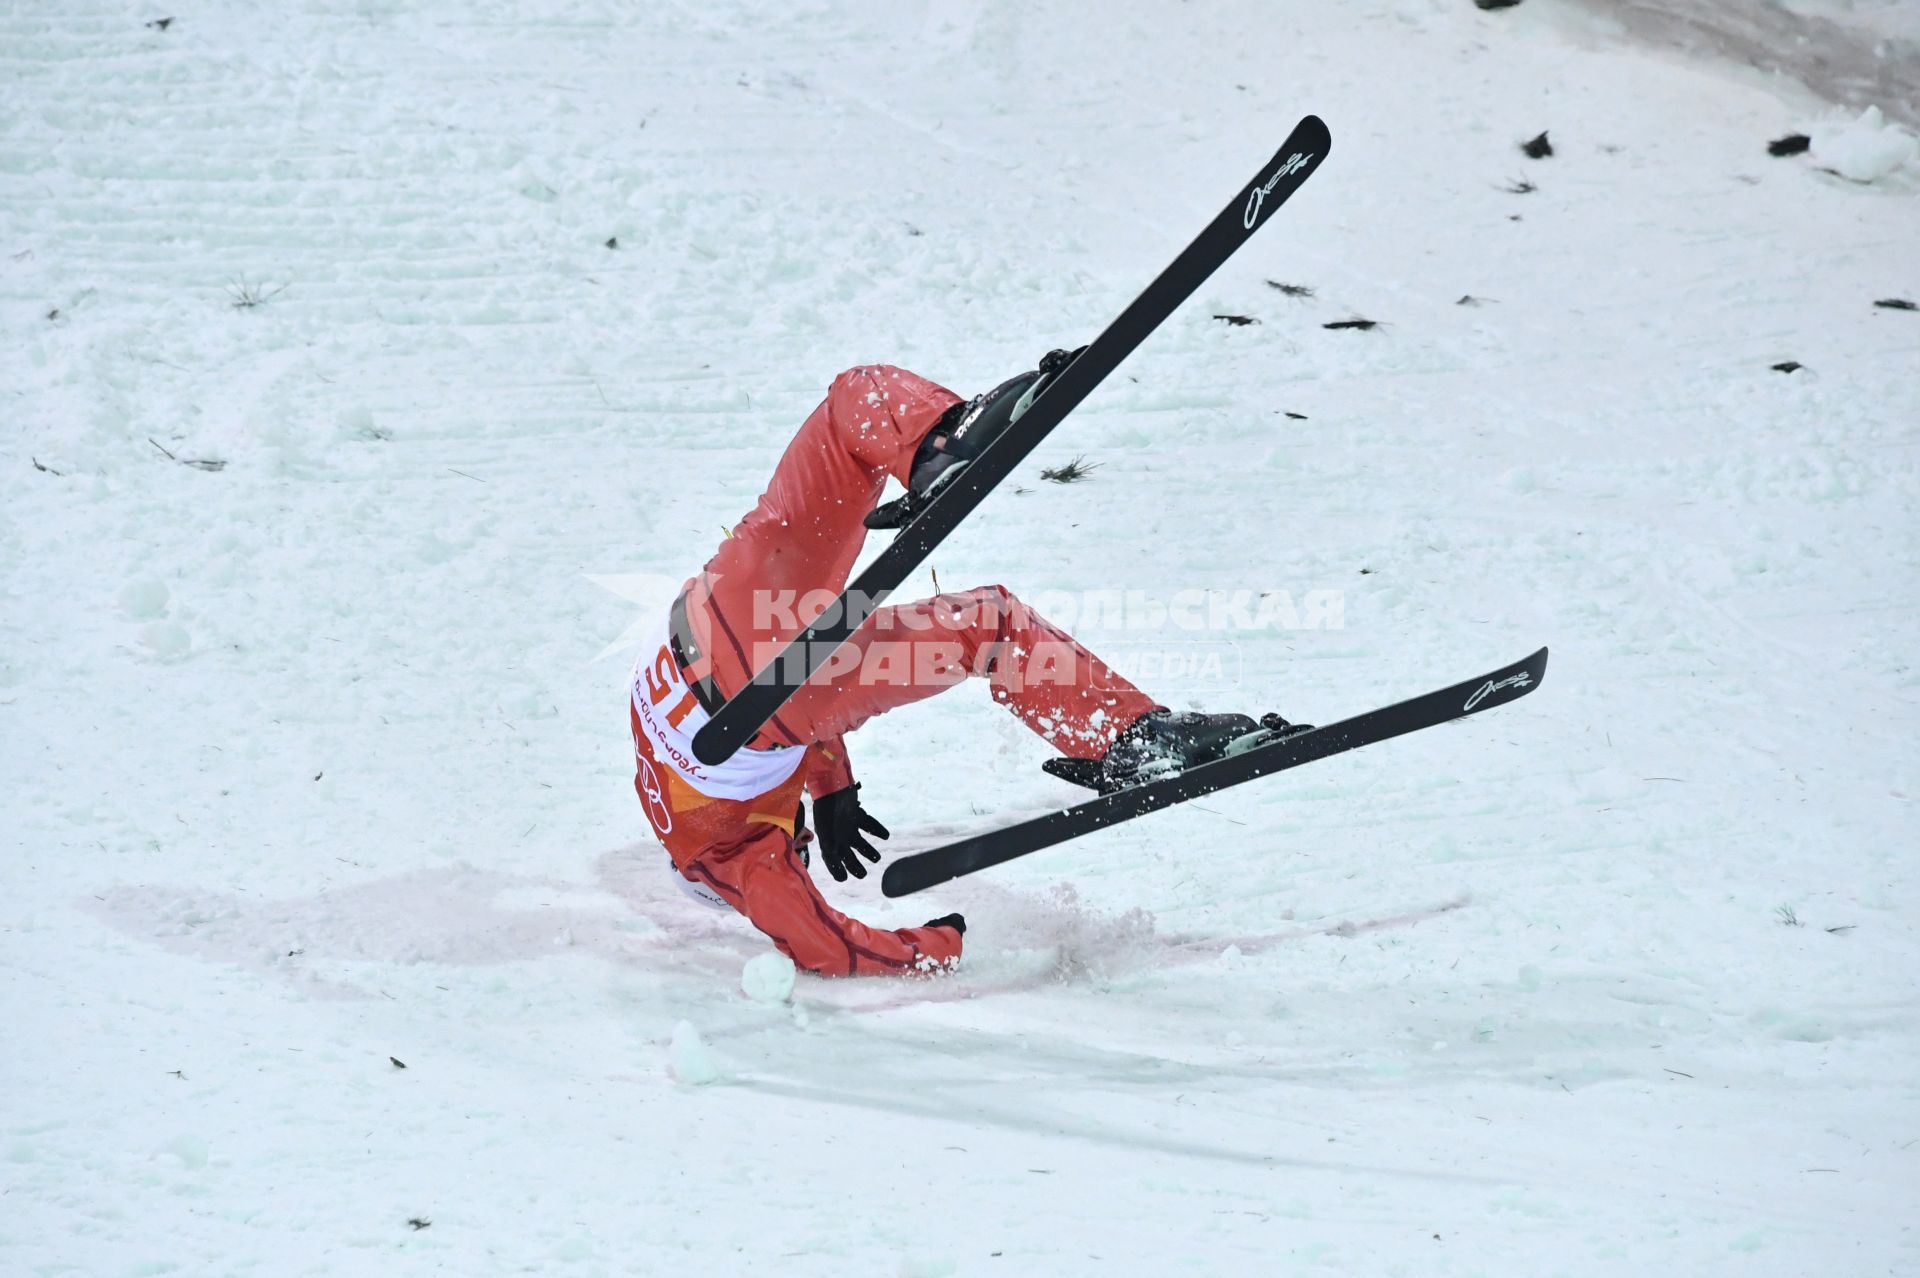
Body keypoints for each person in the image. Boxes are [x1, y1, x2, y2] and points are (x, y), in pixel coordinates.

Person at [628, 352, 1291, 977]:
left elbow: (822, 947)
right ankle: (937, 448)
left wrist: (933, 945)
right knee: (849, 409)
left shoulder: (731, 862)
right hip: (731, 600)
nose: (799, 850)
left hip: (781, 697)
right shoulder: (655, 777)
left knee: (991, 626)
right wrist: (831, 787)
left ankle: (1134, 741)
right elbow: (735, 701)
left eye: (796, 848)